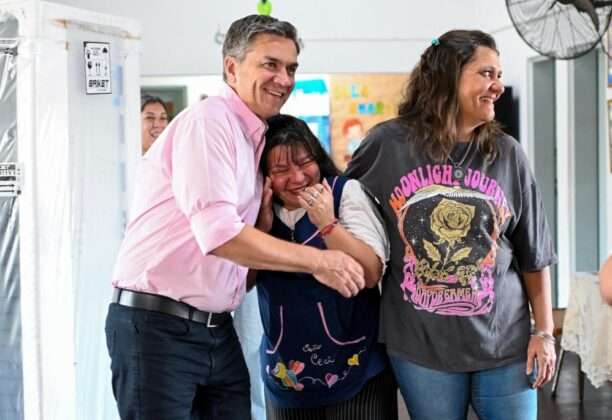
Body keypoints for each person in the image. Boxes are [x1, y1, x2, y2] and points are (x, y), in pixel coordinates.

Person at [105, 15, 365, 420]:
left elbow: (236, 271)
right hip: (159, 326)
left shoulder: (254, 139)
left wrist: (265, 228)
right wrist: (320, 261)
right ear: (231, 67)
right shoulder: (210, 122)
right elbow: (220, 235)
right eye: (270, 64)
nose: (284, 79)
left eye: (291, 68)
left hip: (215, 330)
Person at [346, 30, 557, 420]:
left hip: (504, 341)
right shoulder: (387, 144)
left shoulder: (507, 153)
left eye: (499, 75)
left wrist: (544, 332)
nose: (498, 86)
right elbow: (341, 199)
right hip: (421, 345)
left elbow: (535, 253)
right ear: (448, 74)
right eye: (486, 73)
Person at [254, 114, 397, 420]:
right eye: (281, 170)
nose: (297, 177)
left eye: (305, 162)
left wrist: (328, 225)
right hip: (287, 377)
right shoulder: (256, 209)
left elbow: (371, 273)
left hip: (356, 369)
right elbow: (241, 283)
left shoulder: (346, 193)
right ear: (264, 176)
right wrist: (261, 230)